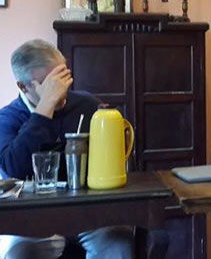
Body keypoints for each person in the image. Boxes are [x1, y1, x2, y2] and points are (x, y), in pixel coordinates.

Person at [0, 40, 134, 259]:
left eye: (63, 77)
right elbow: (13, 169)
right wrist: (46, 107)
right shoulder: (8, 118)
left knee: (117, 243)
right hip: (32, 220)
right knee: (19, 253)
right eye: (50, 83)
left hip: (89, 213)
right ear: (23, 86)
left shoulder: (87, 104)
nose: (60, 89)